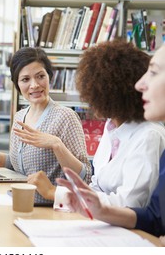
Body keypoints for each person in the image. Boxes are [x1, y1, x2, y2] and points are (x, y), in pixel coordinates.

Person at [57, 44, 165, 239]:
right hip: (104, 227)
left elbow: (132, 203)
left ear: (112, 94)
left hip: (127, 234)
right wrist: (81, 197)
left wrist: (55, 193)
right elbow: (98, 183)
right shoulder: (110, 128)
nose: (91, 102)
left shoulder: (149, 136)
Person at [0, 47, 91, 205]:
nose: (34, 85)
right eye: (25, 79)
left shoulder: (65, 117)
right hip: (20, 204)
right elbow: (16, 165)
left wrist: (57, 145)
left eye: (40, 76)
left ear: (49, 77)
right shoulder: (20, 116)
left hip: (50, 209)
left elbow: (85, 176)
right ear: (17, 84)